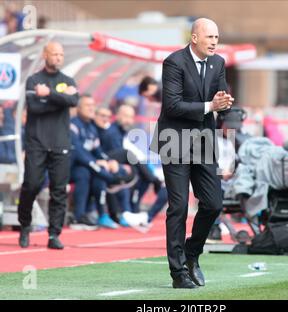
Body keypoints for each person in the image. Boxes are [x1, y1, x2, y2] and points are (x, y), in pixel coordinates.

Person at [150, 18, 234, 288]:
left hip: (203, 141)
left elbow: (222, 102)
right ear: (194, 37)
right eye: (209, 37)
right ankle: (178, 274)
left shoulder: (218, 63)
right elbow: (173, 106)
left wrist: (224, 105)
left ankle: (191, 254)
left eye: (217, 38)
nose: (214, 42)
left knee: (213, 204)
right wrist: (211, 105)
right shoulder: (173, 62)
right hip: (174, 139)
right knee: (178, 208)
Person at [17, 42, 79, 249]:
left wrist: (49, 95)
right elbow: (35, 107)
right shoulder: (33, 80)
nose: (59, 57)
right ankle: (25, 225)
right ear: (45, 55)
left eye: (61, 54)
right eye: (55, 54)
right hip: (37, 143)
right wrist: (62, 97)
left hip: (61, 144)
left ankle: (54, 235)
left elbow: (73, 101)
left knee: (59, 190)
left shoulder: (68, 80)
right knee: (31, 185)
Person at [69, 95, 134, 230]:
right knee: (86, 173)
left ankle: (103, 214)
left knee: (105, 172)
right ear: (79, 108)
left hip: (88, 166)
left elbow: (98, 151)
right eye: (88, 105)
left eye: (93, 105)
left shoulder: (91, 129)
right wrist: (98, 164)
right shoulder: (73, 125)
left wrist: (109, 161)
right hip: (70, 168)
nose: (91, 108)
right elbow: (78, 153)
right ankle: (79, 216)